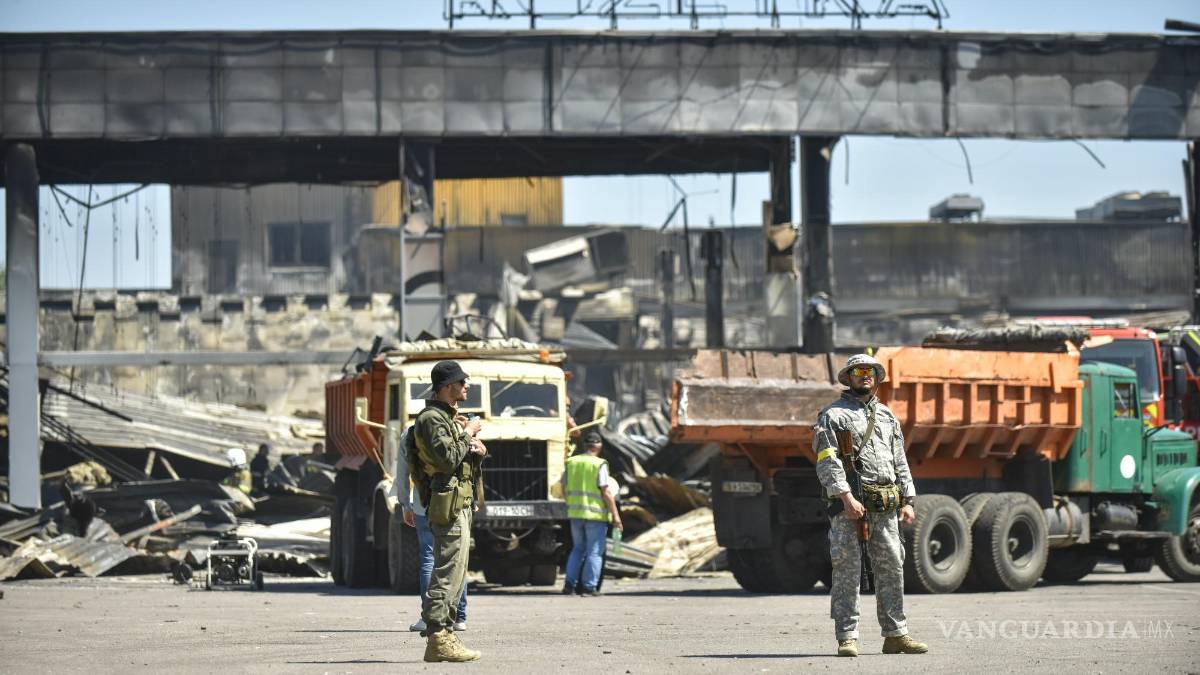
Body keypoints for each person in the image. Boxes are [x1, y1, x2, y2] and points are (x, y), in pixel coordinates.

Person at [814, 354, 928, 657]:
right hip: (851, 507)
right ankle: (847, 637)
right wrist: (845, 497)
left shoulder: (888, 416)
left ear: (876, 378)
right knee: (847, 571)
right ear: (849, 377)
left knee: (892, 567)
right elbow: (828, 461)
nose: (864, 375)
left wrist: (908, 499)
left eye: (870, 371)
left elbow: (899, 459)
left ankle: (896, 634)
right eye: (858, 371)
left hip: (886, 505)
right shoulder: (833, 415)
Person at [408, 360, 487, 663]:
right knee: (447, 571)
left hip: (459, 502)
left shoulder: (446, 418)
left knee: (456, 572)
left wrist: (479, 451)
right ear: (446, 387)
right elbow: (446, 460)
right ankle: (438, 636)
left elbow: (460, 460)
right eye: (461, 382)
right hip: (447, 504)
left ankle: (446, 635)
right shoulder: (431, 419)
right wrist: (468, 432)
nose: (466, 386)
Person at [393, 425, 469, 634]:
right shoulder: (458, 428)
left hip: (423, 503)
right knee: (457, 558)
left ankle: (428, 617)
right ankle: (459, 616)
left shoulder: (410, 433)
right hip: (454, 503)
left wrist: (404, 504)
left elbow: (402, 472)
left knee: (429, 559)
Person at [561, 430, 622, 596]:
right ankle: (589, 587)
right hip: (595, 516)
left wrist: (571, 504)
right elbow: (606, 492)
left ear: (584, 445)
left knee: (577, 549)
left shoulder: (571, 462)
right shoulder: (599, 464)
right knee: (594, 552)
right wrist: (616, 516)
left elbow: (563, 486)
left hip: (575, 514)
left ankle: (569, 585)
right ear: (599, 446)